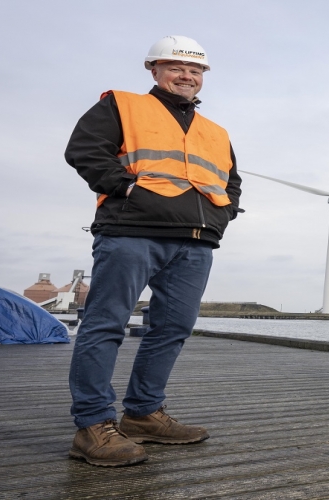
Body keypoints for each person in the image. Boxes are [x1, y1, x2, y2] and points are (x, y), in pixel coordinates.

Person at [64, 35, 242, 466]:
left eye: (195, 70)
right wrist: (129, 189)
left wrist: (225, 213)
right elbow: (84, 151)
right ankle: (92, 425)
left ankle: (143, 413)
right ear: (154, 70)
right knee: (106, 324)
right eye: (176, 67)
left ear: (203, 77)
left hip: (196, 241)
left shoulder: (215, 132)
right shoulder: (122, 105)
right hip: (131, 232)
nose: (186, 75)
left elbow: (231, 182)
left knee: (173, 328)